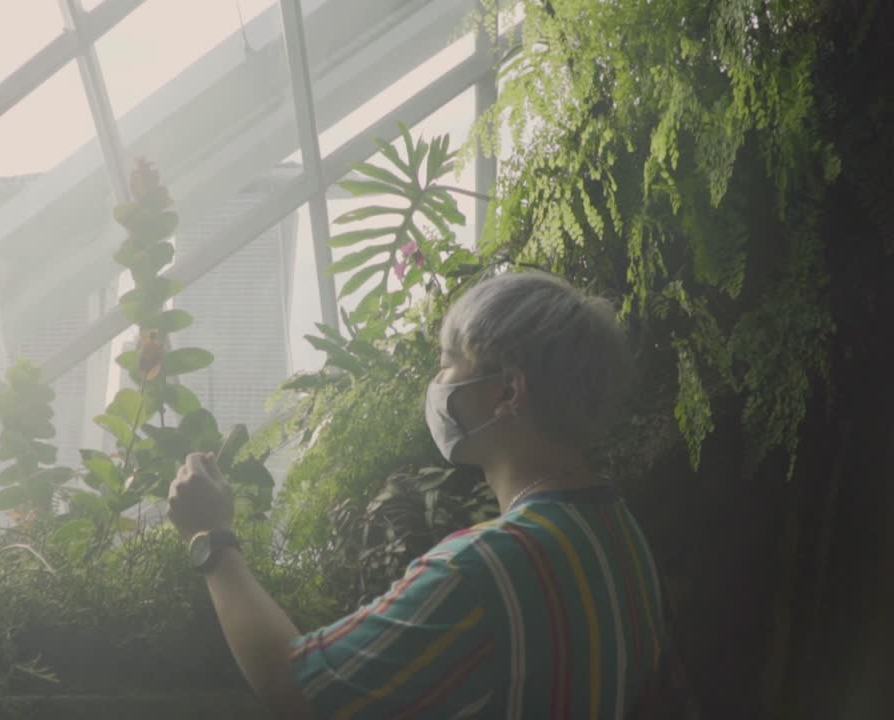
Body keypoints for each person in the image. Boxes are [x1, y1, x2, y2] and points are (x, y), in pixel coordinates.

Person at [168, 270, 677, 719]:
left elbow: (303, 691)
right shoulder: (616, 533)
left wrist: (211, 538)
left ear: (508, 393)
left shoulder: (482, 570)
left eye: (449, 364)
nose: (436, 385)